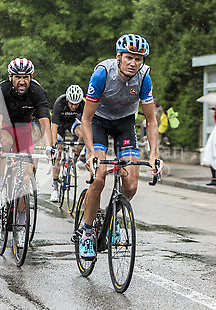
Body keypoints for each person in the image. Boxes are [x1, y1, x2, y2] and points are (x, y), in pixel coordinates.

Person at [79, 34, 163, 259]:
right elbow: (85, 119)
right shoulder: (102, 73)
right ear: (119, 57)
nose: (134, 63)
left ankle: (110, 214)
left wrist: (154, 154)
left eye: (138, 59)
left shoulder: (144, 78)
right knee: (98, 178)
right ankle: (87, 233)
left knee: (131, 186)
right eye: (129, 57)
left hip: (125, 124)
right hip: (98, 122)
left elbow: (151, 120)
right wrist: (89, 152)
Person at [0, 57, 55, 212]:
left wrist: (49, 146)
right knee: (3, 146)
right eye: (18, 77)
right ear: (10, 76)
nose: (22, 81)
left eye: (25, 77)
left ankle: (21, 221)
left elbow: (45, 122)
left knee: (26, 178)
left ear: (31, 77)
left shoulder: (38, 91)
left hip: (24, 128)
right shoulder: (2, 89)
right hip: (4, 127)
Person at [50, 84, 85, 201]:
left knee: (84, 134)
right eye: (72, 103)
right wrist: (55, 145)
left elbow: (87, 124)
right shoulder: (59, 102)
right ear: (67, 100)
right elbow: (53, 127)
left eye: (77, 104)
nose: (74, 106)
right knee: (58, 154)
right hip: (59, 124)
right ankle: (55, 187)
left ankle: (74, 159)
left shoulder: (83, 104)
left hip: (71, 122)